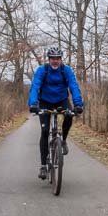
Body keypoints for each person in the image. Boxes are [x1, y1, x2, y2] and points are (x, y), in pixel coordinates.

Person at [28, 46, 84, 180]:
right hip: (45, 101)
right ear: (49, 59)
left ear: (61, 60)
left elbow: (73, 86)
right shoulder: (42, 70)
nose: (55, 61)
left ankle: (63, 140)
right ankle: (43, 166)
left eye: (58, 58)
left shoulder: (67, 70)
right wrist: (33, 104)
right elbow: (35, 86)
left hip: (61, 100)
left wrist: (78, 104)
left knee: (69, 115)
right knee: (45, 131)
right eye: (53, 58)